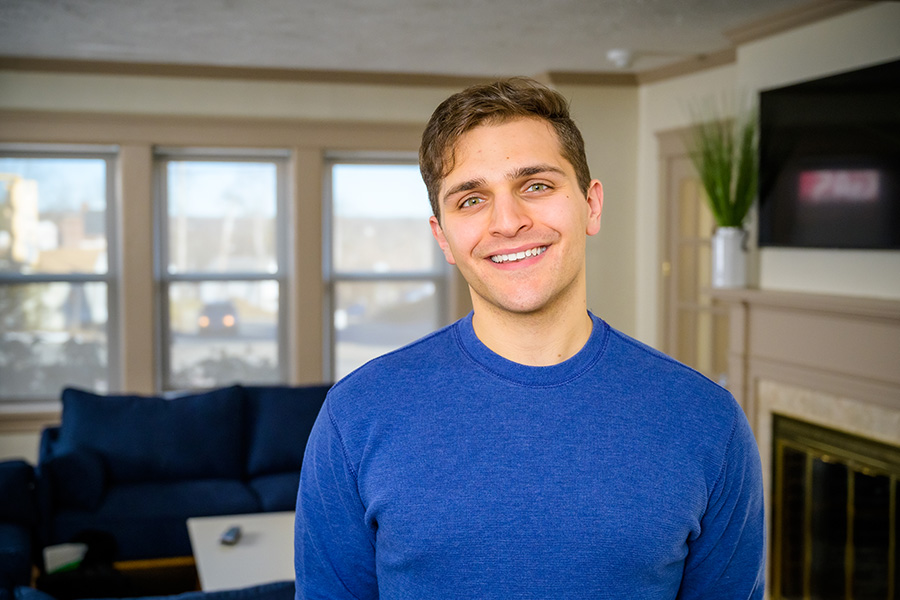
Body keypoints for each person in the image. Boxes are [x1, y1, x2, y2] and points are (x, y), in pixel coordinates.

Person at [294, 77, 765, 599]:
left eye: (536, 186)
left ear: (592, 204)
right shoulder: (356, 414)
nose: (509, 222)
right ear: (442, 237)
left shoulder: (707, 420)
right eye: (471, 199)